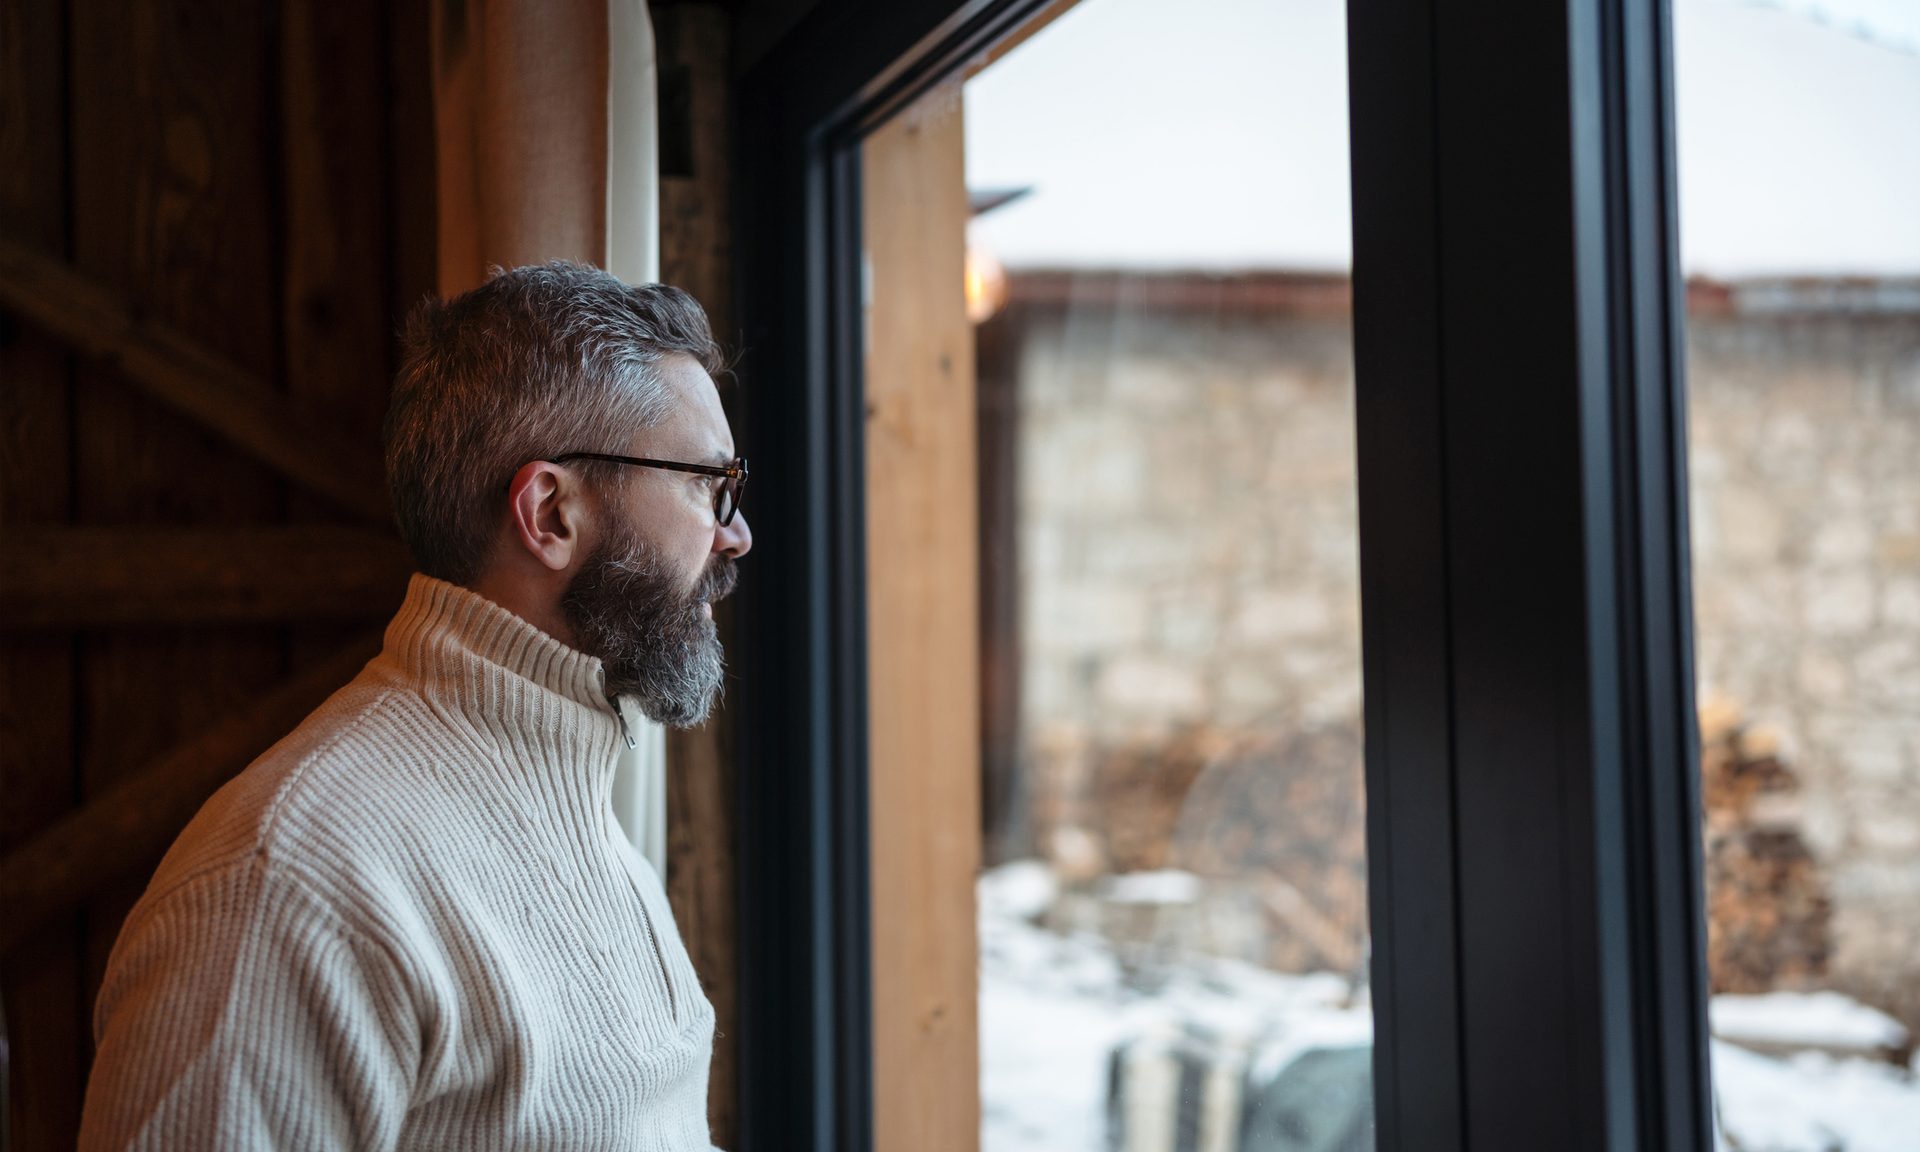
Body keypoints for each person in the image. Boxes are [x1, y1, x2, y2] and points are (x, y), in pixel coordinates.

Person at [79, 262, 749, 1151]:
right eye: (710, 485)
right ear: (550, 514)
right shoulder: (288, 887)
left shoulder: (573, 801)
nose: (736, 532)